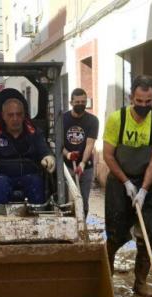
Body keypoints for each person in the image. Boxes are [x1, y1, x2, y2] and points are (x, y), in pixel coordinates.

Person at [103, 75, 152, 297]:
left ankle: (140, 283)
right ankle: (105, 278)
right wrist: (126, 183)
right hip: (119, 180)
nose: (143, 106)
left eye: (148, 102)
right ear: (132, 97)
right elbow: (108, 156)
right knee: (116, 234)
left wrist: (142, 190)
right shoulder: (116, 120)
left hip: (145, 181)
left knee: (149, 234)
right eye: (139, 102)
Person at [0, 89, 55, 210]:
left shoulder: (34, 132)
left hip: (30, 175)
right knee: (0, 183)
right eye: (10, 115)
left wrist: (48, 158)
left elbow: (44, 150)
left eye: (19, 114)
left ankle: (40, 215)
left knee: (36, 181)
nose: (15, 118)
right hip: (3, 176)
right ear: (3, 116)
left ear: (24, 115)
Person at [62, 88, 99, 218]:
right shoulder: (63, 119)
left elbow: (90, 144)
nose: (80, 104)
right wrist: (68, 154)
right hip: (66, 166)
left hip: (86, 166)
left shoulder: (92, 121)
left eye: (83, 102)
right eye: (77, 102)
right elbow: (58, 143)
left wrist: (82, 163)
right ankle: (69, 226)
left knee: (83, 200)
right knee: (68, 201)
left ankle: (82, 227)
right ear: (71, 102)